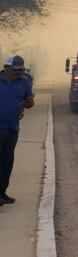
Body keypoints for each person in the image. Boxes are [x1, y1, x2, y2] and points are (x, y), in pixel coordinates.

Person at [0, 55, 34, 206]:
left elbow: (29, 102)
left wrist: (28, 103)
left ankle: (2, 193)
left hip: (12, 129)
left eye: (20, 70)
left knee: (7, 163)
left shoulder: (24, 82)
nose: (18, 72)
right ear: (6, 68)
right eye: (15, 70)